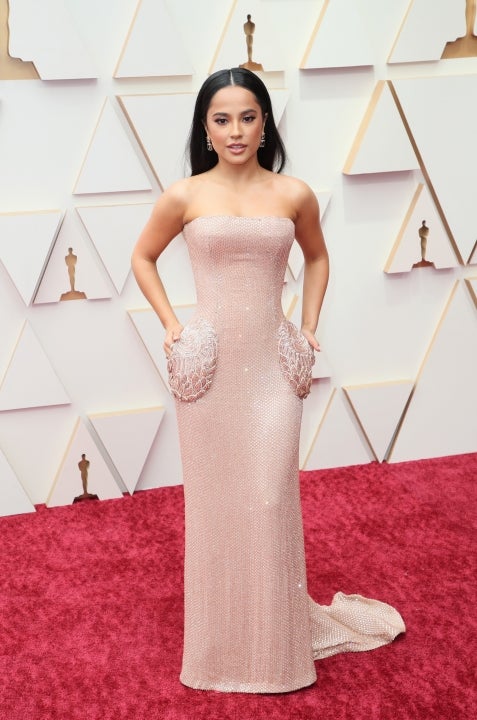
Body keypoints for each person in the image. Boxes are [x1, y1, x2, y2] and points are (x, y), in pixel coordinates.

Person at [132, 67, 405, 694]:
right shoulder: (184, 196)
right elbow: (142, 257)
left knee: (268, 500)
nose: (236, 130)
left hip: (272, 371)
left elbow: (318, 256)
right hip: (208, 371)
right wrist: (172, 325)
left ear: (265, 124)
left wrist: (307, 326)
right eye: (222, 119)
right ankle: (221, 649)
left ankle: (275, 648)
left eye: (248, 117)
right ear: (205, 128)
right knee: (215, 509)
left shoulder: (293, 194)